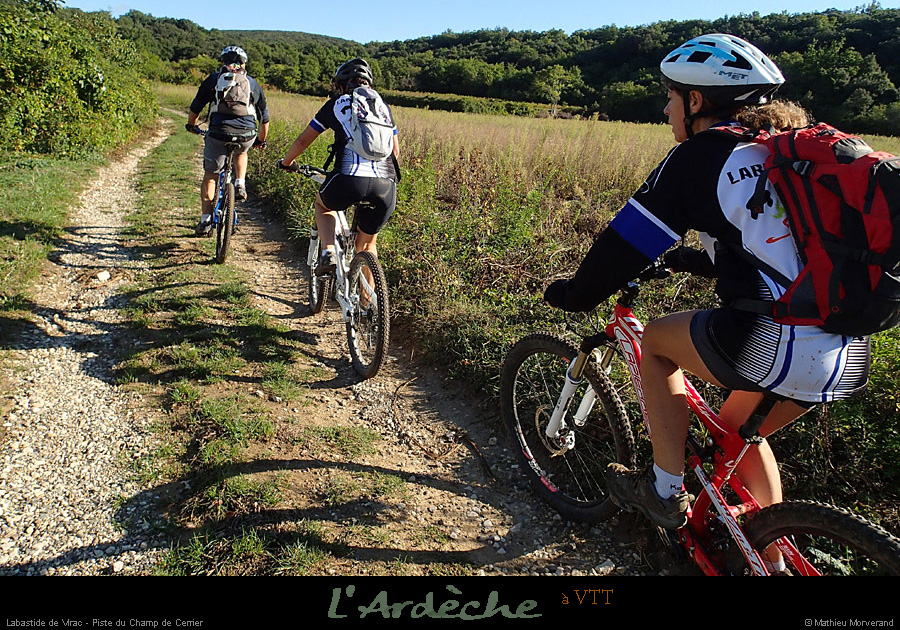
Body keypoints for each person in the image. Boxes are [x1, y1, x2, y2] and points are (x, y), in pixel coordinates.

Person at [543, 34, 869, 573]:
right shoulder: (791, 149)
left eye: (672, 96)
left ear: (697, 101)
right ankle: (773, 554)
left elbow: (627, 241)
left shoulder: (704, 153)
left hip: (771, 342)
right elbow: (782, 246)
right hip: (848, 347)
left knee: (655, 344)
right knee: (738, 437)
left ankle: (664, 488)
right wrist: (695, 263)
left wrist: (578, 294)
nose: (666, 107)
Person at [277, 58, 399, 274]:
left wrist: (287, 163)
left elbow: (303, 141)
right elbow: (395, 152)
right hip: (386, 185)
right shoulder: (383, 107)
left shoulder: (337, 103)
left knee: (324, 205)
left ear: (342, 85)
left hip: (349, 179)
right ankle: (367, 305)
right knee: (368, 246)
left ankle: (329, 252)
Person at [186, 45, 269, 235]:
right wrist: (261, 140)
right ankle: (240, 183)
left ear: (223, 62)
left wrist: (192, 125)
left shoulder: (214, 80)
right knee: (242, 151)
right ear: (244, 63)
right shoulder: (252, 83)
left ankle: (206, 220)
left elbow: (196, 107)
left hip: (218, 132)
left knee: (211, 175)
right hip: (246, 133)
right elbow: (264, 117)